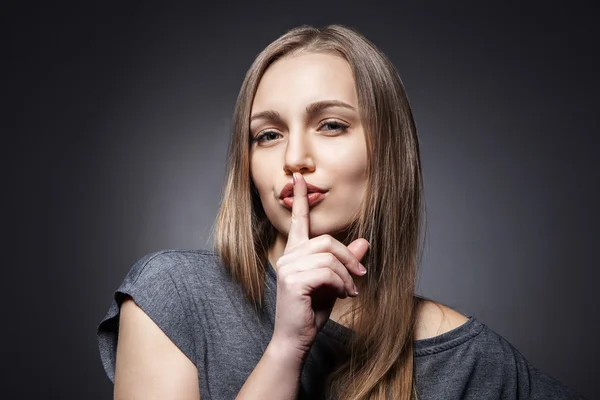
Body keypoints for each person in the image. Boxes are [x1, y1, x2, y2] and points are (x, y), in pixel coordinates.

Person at [97, 24, 585, 399]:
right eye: (268, 135)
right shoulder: (172, 298)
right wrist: (286, 349)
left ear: (389, 150)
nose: (293, 159)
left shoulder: (470, 360)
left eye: (330, 125)